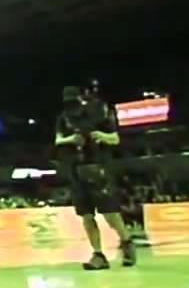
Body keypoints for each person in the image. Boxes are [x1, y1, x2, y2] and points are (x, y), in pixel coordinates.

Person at [54, 85, 136, 270]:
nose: (71, 106)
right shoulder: (63, 118)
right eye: (67, 103)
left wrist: (100, 136)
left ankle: (126, 241)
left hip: (97, 167)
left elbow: (115, 139)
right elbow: (57, 140)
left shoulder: (99, 112)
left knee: (109, 213)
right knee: (86, 215)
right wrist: (71, 140)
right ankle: (98, 255)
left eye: (73, 102)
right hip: (75, 169)